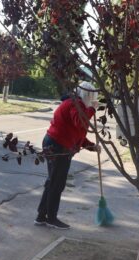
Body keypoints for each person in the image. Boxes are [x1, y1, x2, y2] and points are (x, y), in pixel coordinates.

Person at [35, 81, 100, 229]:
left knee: (53, 182)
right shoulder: (75, 104)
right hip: (58, 146)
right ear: (88, 95)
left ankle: (41, 216)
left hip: (56, 144)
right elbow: (80, 122)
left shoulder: (76, 103)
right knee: (56, 183)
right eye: (92, 96)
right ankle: (50, 218)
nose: (92, 99)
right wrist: (92, 110)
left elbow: (77, 133)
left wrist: (91, 147)